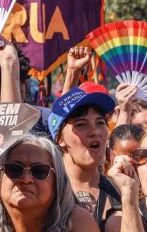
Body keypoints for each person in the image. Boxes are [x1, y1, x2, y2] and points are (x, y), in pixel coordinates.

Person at [0, 134, 99, 232]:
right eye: (14, 169)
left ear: (57, 183)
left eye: (39, 171)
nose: (26, 179)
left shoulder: (76, 222)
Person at [49, 82, 122, 226]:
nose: (94, 131)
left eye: (100, 123)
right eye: (81, 124)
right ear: (60, 138)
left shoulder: (122, 188)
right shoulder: (46, 190)